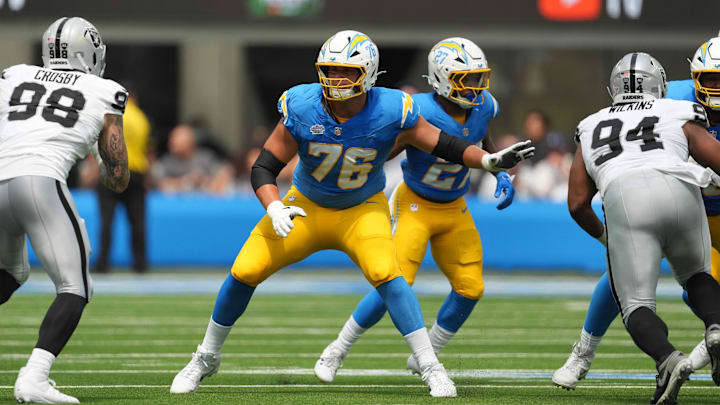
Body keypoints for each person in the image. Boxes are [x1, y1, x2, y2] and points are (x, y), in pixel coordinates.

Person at [169, 30, 533, 398]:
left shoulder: (393, 107)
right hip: (305, 206)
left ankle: (429, 364)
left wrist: (488, 161)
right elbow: (264, 166)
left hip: (361, 209)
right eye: (331, 70)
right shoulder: (301, 103)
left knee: (388, 274)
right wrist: (274, 204)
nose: (336, 80)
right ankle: (206, 356)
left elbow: (445, 144)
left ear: (369, 74)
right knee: (245, 269)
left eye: (347, 72)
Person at [313, 37, 514, 382]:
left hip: (455, 207)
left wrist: (499, 169)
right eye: (466, 79)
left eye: (479, 78)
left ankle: (428, 353)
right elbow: (381, 150)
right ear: (442, 77)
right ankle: (337, 350)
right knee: (394, 282)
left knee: (471, 287)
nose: (476, 87)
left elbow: (481, 136)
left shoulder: (485, 106)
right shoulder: (415, 109)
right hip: (415, 204)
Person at [553, 37, 720, 391]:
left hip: (662, 201)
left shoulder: (594, 122)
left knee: (637, 293)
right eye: (713, 79)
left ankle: (675, 356)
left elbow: (577, 202)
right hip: (689, 195)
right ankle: (583, 352)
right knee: (698, 278)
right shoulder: (675, 100)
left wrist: (605, 237)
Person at [0, 17, 129, 403]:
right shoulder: (104, 90)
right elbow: (118, 178)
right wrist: (97, 154)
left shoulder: (14, 75)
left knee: (10, 272)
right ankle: (34, 377)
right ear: (88, 53)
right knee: (76, 285)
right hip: (39, 183)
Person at [93, 82, 151, 274]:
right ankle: (140, 264)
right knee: (137, 221)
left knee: (107, 220)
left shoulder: (110, 114)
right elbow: (146, 148)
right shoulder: (142, 118)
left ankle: (103, 263)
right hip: (136, 172)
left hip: (111, 169)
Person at [150, 124, 234, 194]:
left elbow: (226, 171)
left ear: (190, 142)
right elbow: (158, 181)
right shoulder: (167, 162)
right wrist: (184, 181)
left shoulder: (204, 158)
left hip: (204, 205)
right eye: (172, 139)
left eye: (177, 139)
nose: (172, 142)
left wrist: (207, 182)